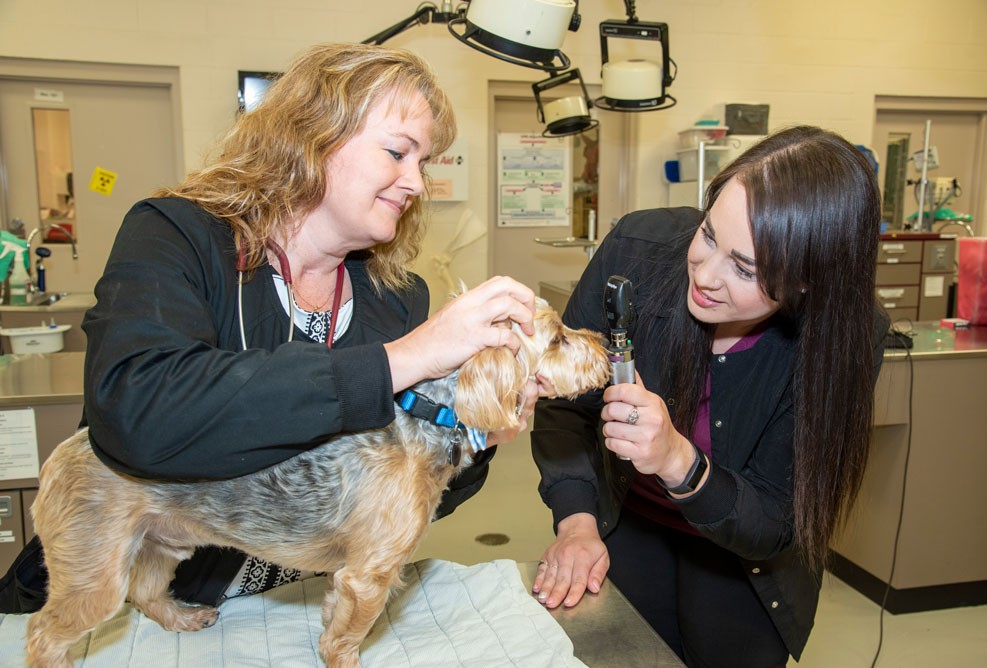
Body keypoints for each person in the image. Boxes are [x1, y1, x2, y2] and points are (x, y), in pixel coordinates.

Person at [0, 42, 541, 612]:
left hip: (296, 602)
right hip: (126, 592)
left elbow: (404, 495)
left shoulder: (396, 301)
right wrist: (398, 362)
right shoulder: (177, 236)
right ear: (312, 136)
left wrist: (475, 434)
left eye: (423, 163)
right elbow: (138, 407)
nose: (415, 183)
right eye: (397, 153)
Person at [529, 126, 890, 667]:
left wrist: (678, 460)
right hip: (631, 517)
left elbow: (775, 520)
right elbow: (563, 403)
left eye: (745, 268)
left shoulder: (843, 338)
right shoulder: (637, 249)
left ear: (808, 282)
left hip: (743, 560)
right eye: (708, 234)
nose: (706, 274)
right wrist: (576, 521)